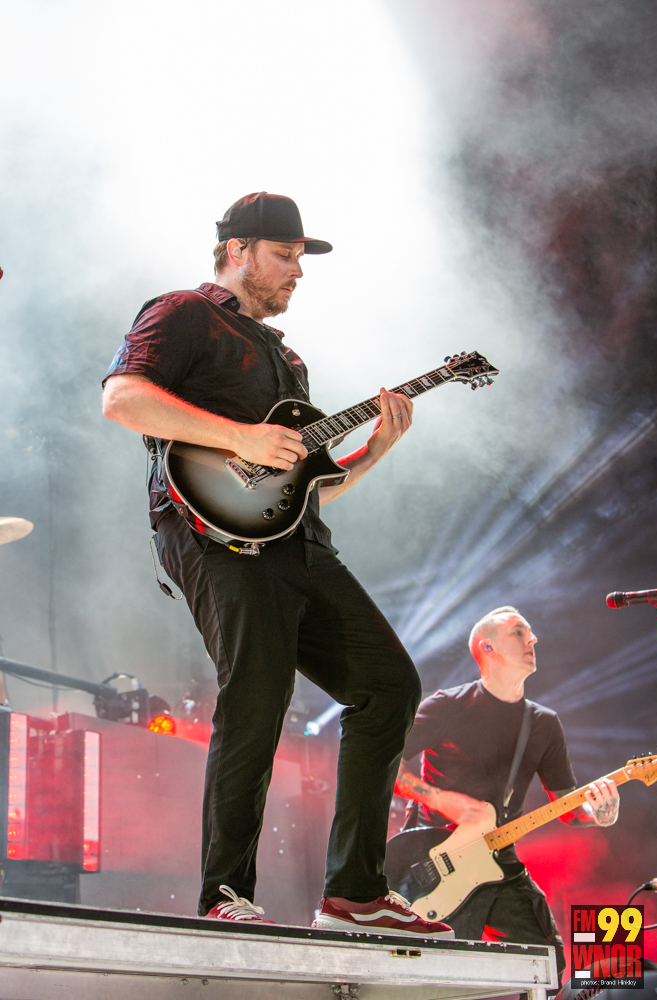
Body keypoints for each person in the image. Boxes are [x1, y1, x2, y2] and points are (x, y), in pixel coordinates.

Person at [102, 191, 454, 939]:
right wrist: (240, 437)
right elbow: (123, 399)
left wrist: (374, 451)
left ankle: (354, 894)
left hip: (299, 544)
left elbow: (304, 489)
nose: (298, 270)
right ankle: (225, 893)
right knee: (257, 695)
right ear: (237, 251)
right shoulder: (181, 312)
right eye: (285, 255)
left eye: (300, 257)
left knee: (389, 685)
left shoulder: (287, 359)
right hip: (214, 537)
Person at [394, 605, 620, 978]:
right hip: (430, 860)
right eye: (518, 632)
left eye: (530, 632)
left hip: (498, 857)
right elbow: (386, 764)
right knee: (436, 976)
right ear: (488, 647)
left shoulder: (544, 723)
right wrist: (438, 798)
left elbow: (568, 808)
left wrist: (599, 814)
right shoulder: (448, 706)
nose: (532, 639)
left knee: (547, 964)